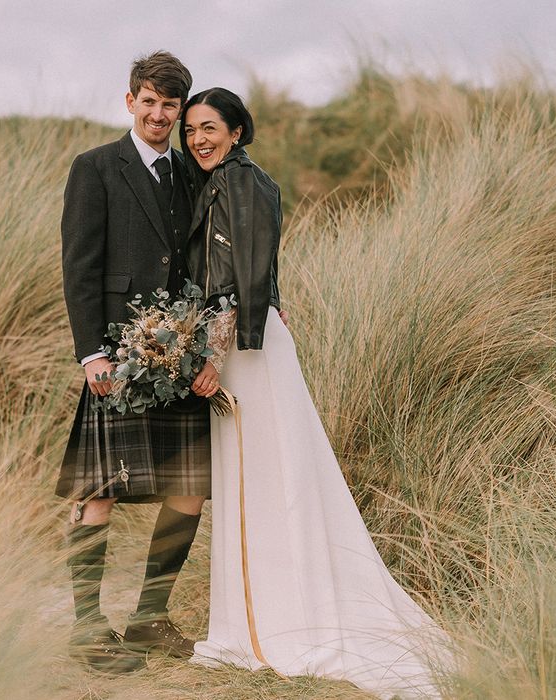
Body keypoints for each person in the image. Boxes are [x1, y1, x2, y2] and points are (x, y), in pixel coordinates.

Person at [180, 88, 449, 699]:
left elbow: (240, 280)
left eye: (210, 128)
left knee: (265, 480)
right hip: (254, 341)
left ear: (238, 132)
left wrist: (213, 358)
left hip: (242, 349)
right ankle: (258, 615)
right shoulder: (231, 183)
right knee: (264, 479)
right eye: (191, 129)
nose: (198, 138)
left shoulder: (239, 184)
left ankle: (271, 622)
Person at [56, 52, 210, 674]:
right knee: (100, 493)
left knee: (190, 489)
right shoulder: (95, 168)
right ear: (130, 103)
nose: (159, 114)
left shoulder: (193, 174)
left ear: (180, 111)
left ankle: (149, 617)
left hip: (179, 355)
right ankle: (88, 627)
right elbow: (80, 267)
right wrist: (92, 352)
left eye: (170, 105)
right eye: (148, 102)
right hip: (119, 354)